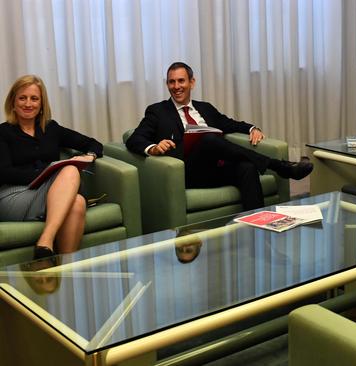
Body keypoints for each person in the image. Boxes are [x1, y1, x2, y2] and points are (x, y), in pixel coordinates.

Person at [126, 62, 313, 210]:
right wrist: (155, 148)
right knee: (208, 138)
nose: (176, 86)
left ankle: (257, 231)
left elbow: (230, 124)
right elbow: (134, 139)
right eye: (171, 82)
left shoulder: (205, 108)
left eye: (181, 81)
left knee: (246, 167)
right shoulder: (158, 111)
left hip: (215, 171)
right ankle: (277, 165)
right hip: (185, 174)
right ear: (167, 84)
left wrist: (252, 128)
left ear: (192, 82)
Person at [0, 75, 102, 259]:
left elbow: (93, 143)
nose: (28, 104)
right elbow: (4, 173)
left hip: (51, 193)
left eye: (34, 98)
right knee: (70, 170)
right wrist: (46, 174)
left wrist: (90, 155)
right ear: (13, 102)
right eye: (22, 98)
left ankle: (64, 268)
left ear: (41, 103)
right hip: (14, 196)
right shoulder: (2, 132)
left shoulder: (51, 128)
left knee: (78, 203)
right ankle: (46, 240)